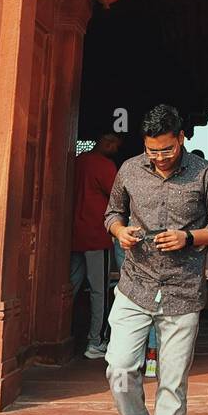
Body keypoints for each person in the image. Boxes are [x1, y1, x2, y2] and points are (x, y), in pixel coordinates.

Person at [103, 104, 208, 415]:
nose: (160, 157)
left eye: (167, 149)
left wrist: (189, 237)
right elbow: (112, 213)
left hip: (183, 290)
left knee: (172, 384)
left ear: (182, 138)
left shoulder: (207, 174)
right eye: (152, 150)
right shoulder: (129, 169)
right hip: (135, 285)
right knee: (121, 370)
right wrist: (119, 231)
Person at [69, 132, 120, 359]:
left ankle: (64, 334)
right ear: (107, 142)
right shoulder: (105, 165)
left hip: (74, 234)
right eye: (115, 144)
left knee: (70, 286)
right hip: (97, 235)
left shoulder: (77, 162)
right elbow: (119, 198)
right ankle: (95, 341)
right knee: (100, 291)